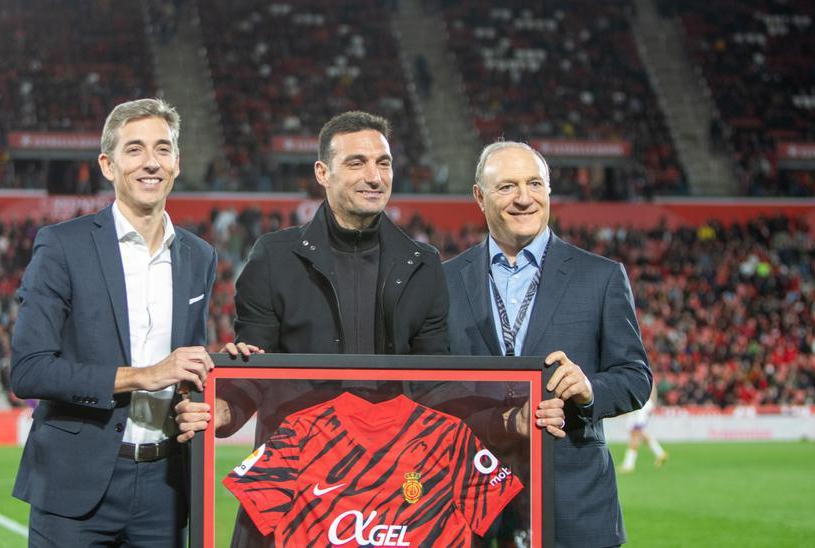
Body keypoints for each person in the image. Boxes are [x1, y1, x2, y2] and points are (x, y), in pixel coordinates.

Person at [199, 112, 565, 547]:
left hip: (392, 495)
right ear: (323, 172)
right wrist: (222, 411)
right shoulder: (275, 257)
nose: (374, 176)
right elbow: (252, 364)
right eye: (356, 163)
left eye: (383, 163)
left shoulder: (422, 263)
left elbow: (437, 385)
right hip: (299, 488)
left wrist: (507, 419)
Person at [9, 98, 218, 547]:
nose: (151, 163)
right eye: (135, 149)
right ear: (107, 164)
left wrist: (200, 398)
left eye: (163, 150)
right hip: (75, 487)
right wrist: (145, 376)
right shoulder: (62, 246)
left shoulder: (199, 257)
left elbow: (190, 365)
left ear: (177, 164)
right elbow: (29, 369)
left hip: (165, 487)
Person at [443, 141, 652, 548]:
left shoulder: (601, 277)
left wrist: (590, 390)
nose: (524, 198)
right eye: (507, 187)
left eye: (535, 184)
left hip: (575, 504)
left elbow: (635, 377)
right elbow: (431, 387)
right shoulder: (444, 281)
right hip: (472, 502)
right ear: (479, 197)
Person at [620, 380, 668, 473]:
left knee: (635, 434)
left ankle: (629, 464)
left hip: (641, 405)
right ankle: (660, 453)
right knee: (639, 433)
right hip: (639, 405)